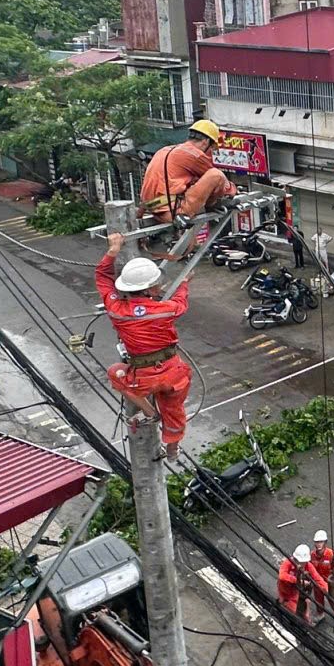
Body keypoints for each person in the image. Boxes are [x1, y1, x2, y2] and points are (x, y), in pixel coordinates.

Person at [96, 233, 194, 458]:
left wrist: (113, 250)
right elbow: (180, 302)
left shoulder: (116, 310)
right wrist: (185, 283)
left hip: (143, 378)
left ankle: (150, 412)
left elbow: (102, 277)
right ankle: (172, 448)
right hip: (174, 373)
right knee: (174, 411)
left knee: (115, 374)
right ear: (150, 289)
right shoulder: (165, 309)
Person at [138, 119, 236, 230]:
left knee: (191, 245)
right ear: (206, 142)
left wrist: (139, 216)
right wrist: (232, 190)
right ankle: (212, 205)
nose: (211, 152)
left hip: (155, 209)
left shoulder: (165, 150)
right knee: (216, 175)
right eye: (212, 148)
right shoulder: (194, 154)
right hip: (174, 211)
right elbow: (218, 180)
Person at [309, 529, 334, 620]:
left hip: (329, 584)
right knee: (318, 600)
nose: (318, 544)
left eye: (321, 542)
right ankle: (320, 614)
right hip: (317, 583)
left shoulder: (331, 555)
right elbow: (309, 568)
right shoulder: (312, 555)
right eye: (317, 542)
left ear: (325, 542)